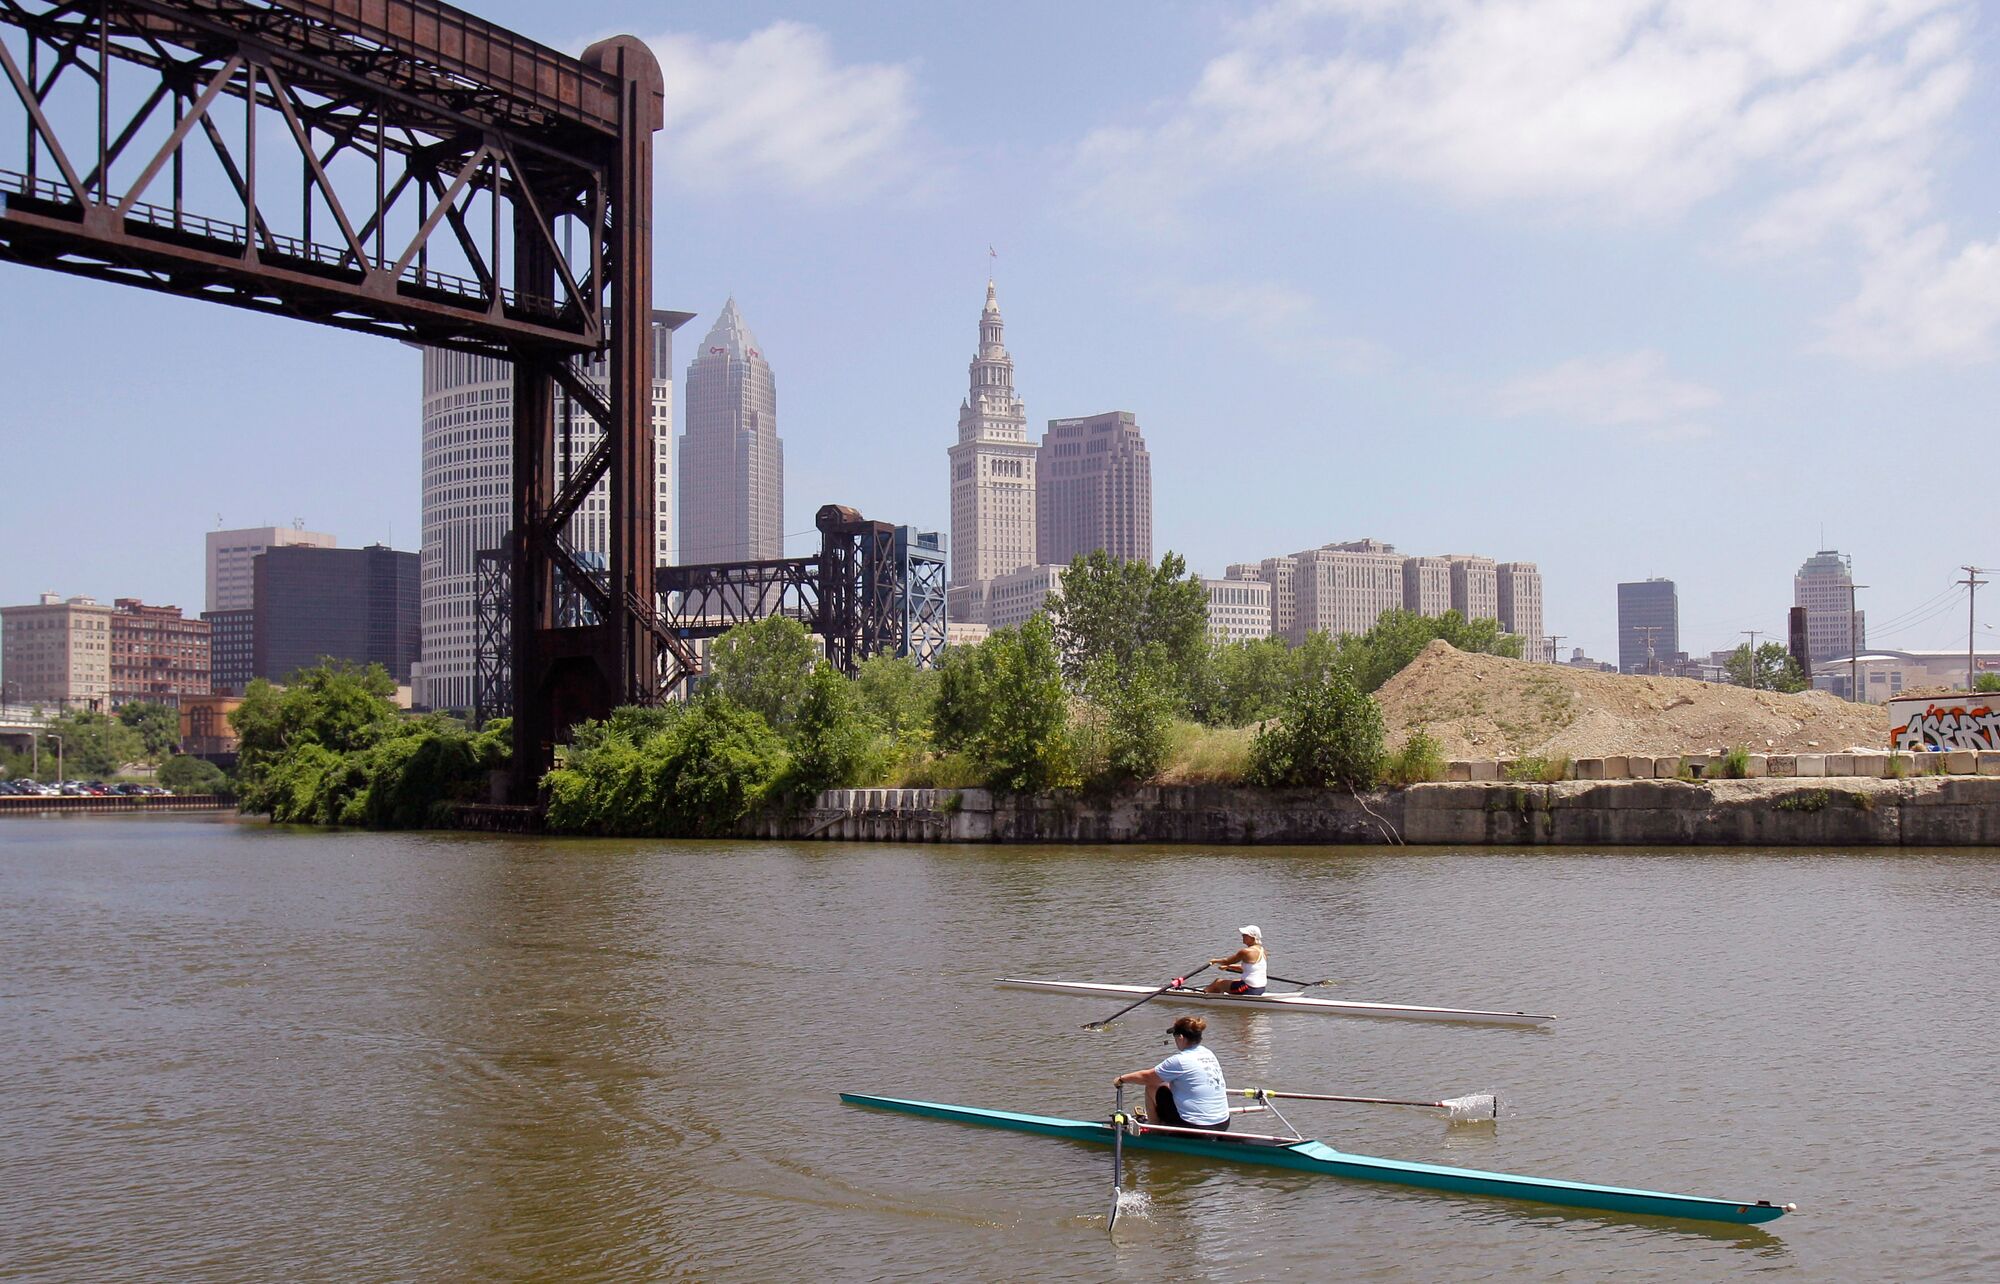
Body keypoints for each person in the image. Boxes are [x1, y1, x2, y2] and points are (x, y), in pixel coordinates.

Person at [1113, 1015, 1231, 1131]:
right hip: (1223, 1123)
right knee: (1166, 1084)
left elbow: (1147, 1077)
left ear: (1180, 1037)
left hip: (1196, 1128)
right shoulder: (1209, 1053)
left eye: (1174, 1036)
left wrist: (1122, 1079)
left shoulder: (1180, 1060)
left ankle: (1155, 1130)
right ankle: (1164, 1123)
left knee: (1151, 1086)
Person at [1202, 925, 1268, 995]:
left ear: (1252, 937)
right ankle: (1217, 997)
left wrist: (1215, 961)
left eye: (1245, 935)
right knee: (1235, 981)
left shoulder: (1246, 951)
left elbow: (1227, 961)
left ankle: (1201, 996)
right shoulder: (1263, 950)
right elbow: (1249, 968)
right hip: (1261, 988)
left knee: (1218, 982)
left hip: (1248, 989)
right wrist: (1229, 967)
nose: (1242, 936)